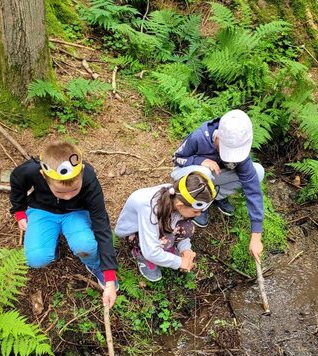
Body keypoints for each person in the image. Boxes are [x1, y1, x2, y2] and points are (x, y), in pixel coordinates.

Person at [9, 141, 118, 308]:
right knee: (36, 258)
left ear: (81, 172)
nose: (68, 196)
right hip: (42, 210)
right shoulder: (31, 171)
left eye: (74, 190)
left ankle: (95, 266)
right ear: (44, 176)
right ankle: (52, 248)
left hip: (76, 212)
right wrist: (19, 210)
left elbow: (101, 225)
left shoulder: (89, 180)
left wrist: (109, 276)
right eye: (60, 191)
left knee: (86, 246)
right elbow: (17, 180)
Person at [172, 109, 265, 262]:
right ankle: (200, 204)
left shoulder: (240, 149)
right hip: (188, 175)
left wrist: (256, 236)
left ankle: (216, 196)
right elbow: (177, 158)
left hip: (215, 177)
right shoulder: (199, 137)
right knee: (204, 173)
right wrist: (200, 161)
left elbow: (253, 189)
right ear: (219, 137)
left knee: (258, 172)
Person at [114, 171, 216, 282]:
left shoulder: (177, 195)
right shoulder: (150, 209)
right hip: (134, 232)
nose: (199, 214)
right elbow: (151, 252)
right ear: (179, 205)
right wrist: (179, 262)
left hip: (161, 225)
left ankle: (166, 250)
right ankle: (139, 252)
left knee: (188, 228)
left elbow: (179, 223)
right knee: (166, 241)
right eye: (196, 211)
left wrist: (185, 248)